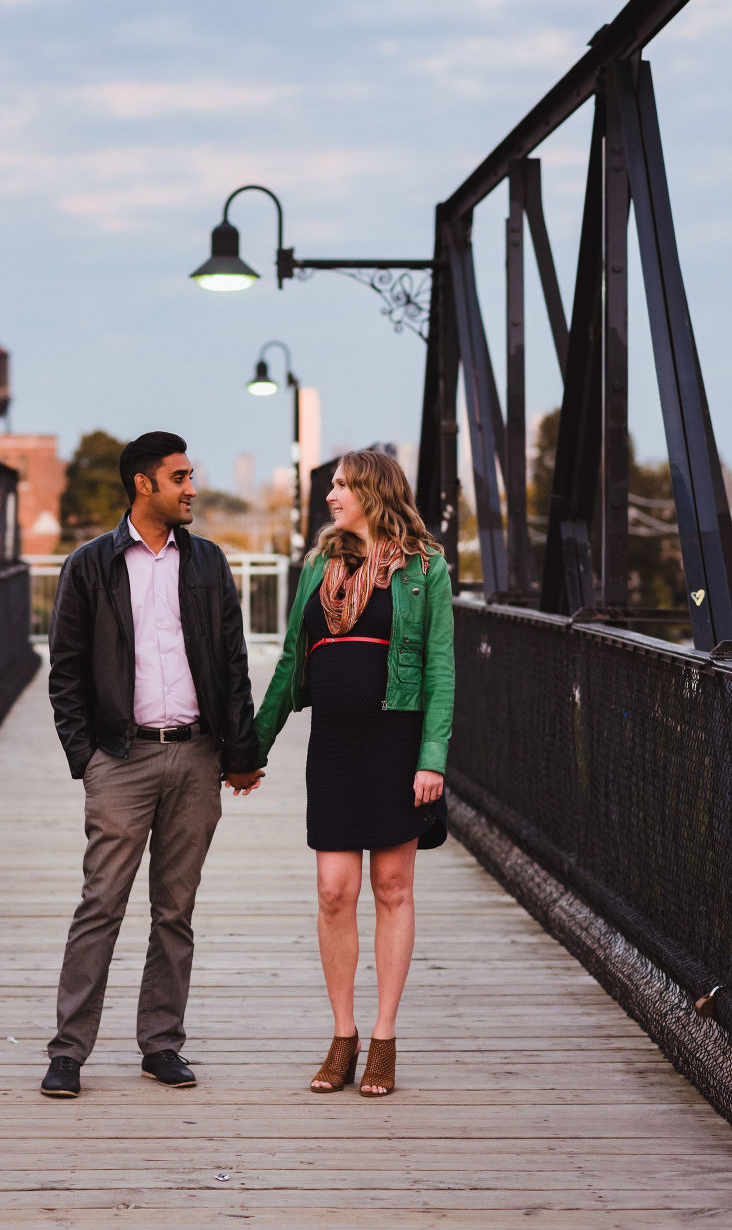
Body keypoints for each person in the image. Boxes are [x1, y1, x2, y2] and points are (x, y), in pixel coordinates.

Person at [42, 431, 264, 1097]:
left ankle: (161, 1043)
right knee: (100, 904)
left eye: (191, 475)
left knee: (176, 910)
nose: (191, 487)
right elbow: (65, 671)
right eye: (180, 476)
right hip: (120, 756)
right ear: (144, 484)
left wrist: (240, 753)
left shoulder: (209, 563)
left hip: (196, 755)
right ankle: (68, 1052)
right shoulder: (90, 565)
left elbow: (233, 664)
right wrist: (88, 758)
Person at [254, 448, 453, 1097]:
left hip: (396, 741)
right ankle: (342, 1035)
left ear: (372, 491)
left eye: (341, 485)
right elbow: (290, 663)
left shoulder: (425, 568)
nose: (332, 494)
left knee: (392, 886)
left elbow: (441, 670)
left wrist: (432, 758)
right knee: (335, 890)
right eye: (331, 484)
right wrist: (251, 749)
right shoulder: (320, 564)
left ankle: (384, 1038)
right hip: (334, 744)